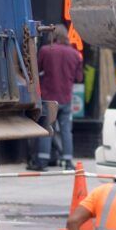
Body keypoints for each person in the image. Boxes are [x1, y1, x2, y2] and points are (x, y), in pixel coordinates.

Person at [29, 25, 83, 172]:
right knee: (66, 131)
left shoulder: (46, 51)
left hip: (49, 97)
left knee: (47, 128)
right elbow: (79, 78)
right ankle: (67, 161)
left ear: (53, 36)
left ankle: (42, 161)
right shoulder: (75, 54)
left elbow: (36, 71)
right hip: (66, 98)